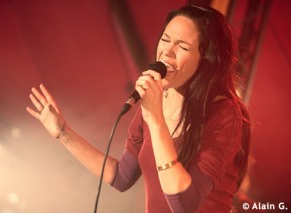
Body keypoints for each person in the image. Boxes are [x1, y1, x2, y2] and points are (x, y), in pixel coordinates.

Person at [27, 4, 251, 213]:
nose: (167, 52)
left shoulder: (225, 113)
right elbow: (121, 177)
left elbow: (185, 204)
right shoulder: (155, 100)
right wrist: (65, 134)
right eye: (165, 39)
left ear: (207, 59)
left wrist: (156, 120)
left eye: (182, 46)